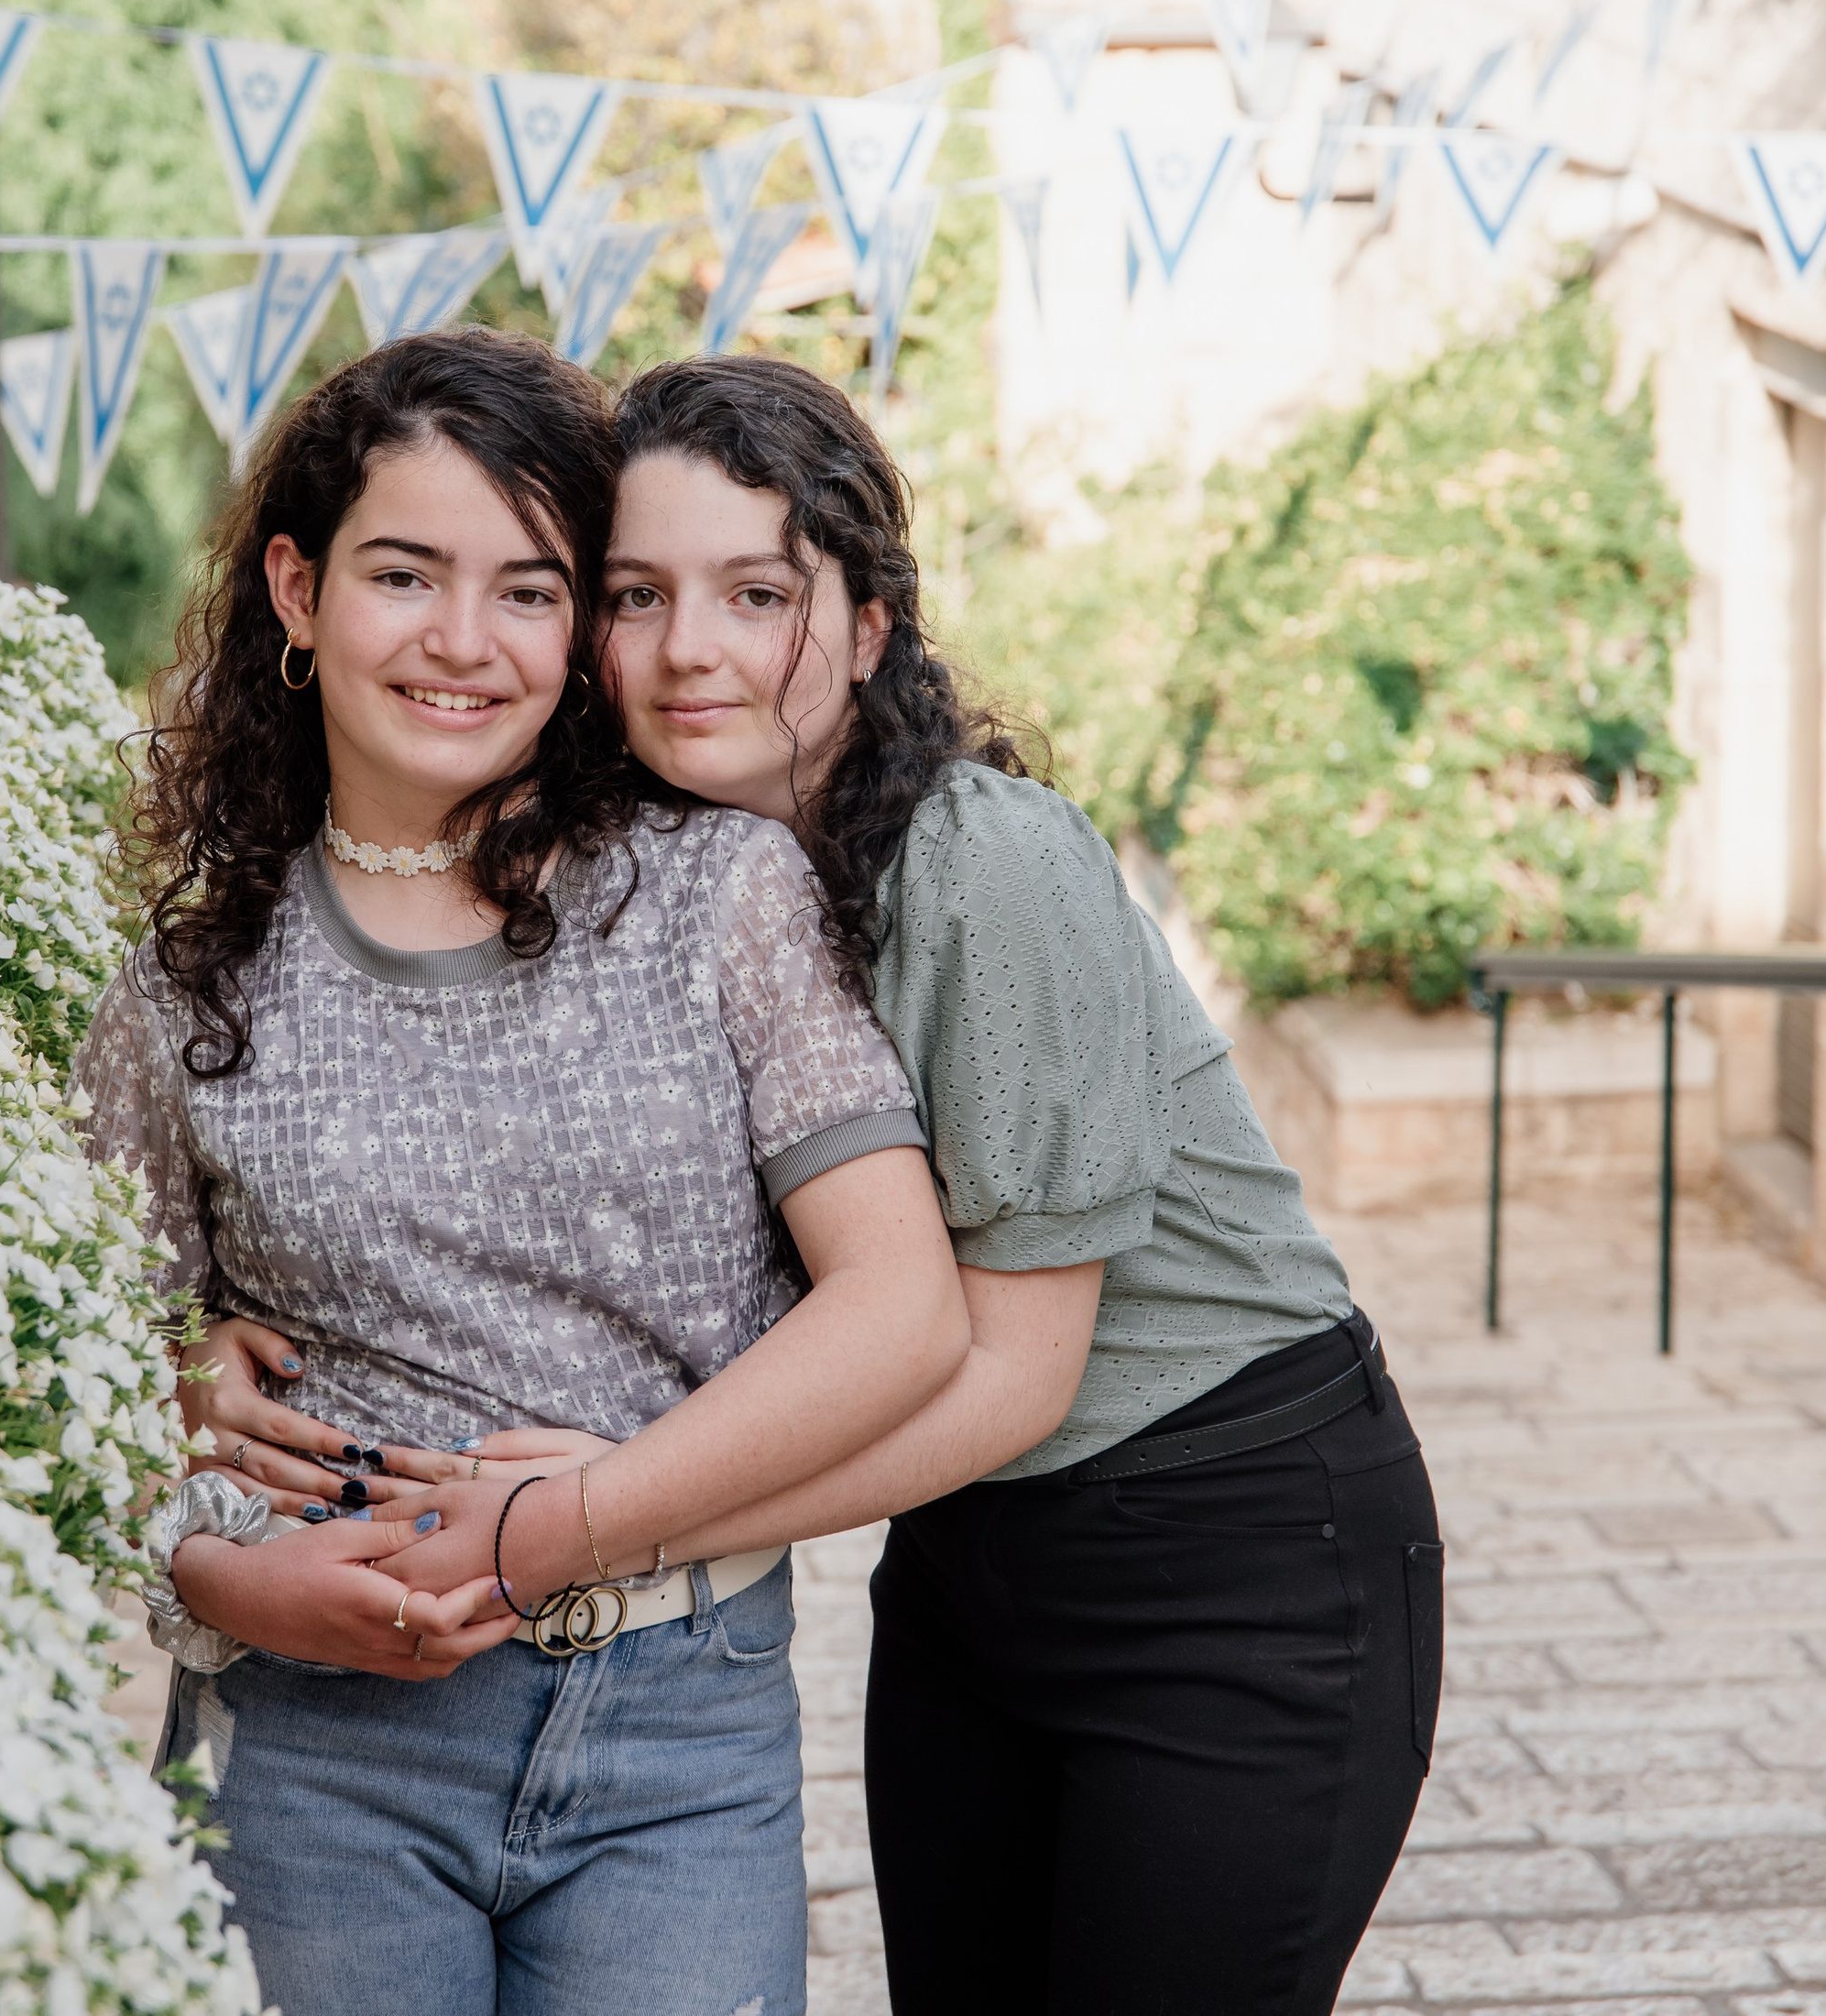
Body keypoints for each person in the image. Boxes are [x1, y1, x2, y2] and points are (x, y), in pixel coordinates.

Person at [74, 331, 968, 2016]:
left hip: (677, 1720)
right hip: (312, 1745)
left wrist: (578, 1520)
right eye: (404, 574)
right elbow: (92, 1396)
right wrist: (216, 1569)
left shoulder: (720, 896)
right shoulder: (188, 987)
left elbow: (903, 1307)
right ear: (297, 588)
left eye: (532, 591)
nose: (464, 641)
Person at [568, 355, 1440, 2016]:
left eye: (759, 594)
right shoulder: (666, 881)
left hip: (1232, 1562)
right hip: (968, 1568)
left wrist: (601, 1530)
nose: (689, 650)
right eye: (637, 595)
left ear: (870, 628)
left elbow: (1018, 1373)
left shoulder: (985, 862)